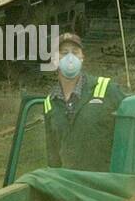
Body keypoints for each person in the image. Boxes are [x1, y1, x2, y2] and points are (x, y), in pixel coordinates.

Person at [42, 33, 125, 171]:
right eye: (64, 53)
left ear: (82, 57)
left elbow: (129, 135)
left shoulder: (108, 90)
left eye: (75, 52)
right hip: (69, 182)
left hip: (103, 182)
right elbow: (53, 156)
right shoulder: (50, 103)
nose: (70, 58)